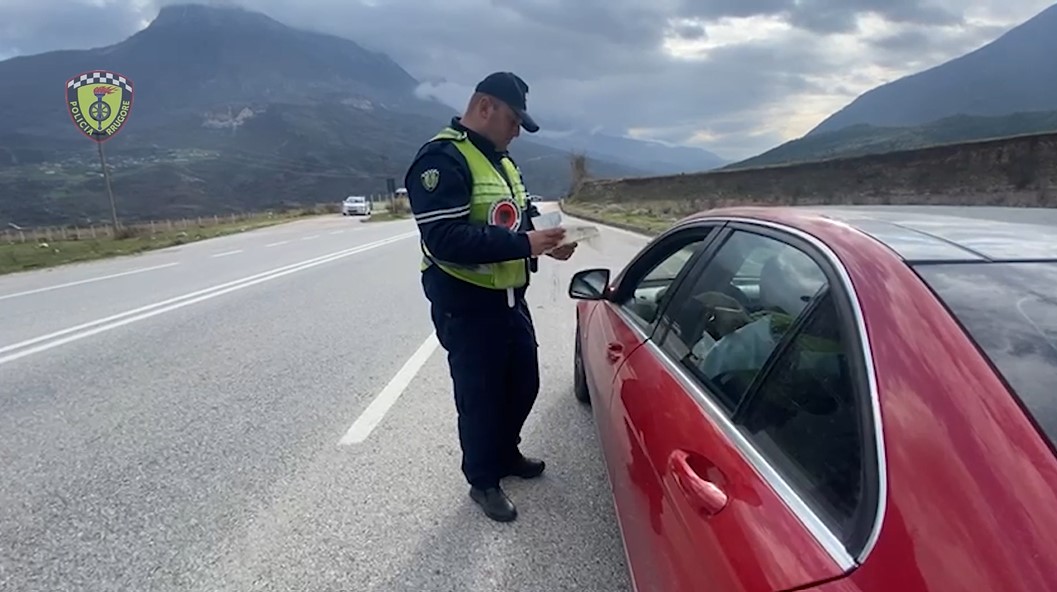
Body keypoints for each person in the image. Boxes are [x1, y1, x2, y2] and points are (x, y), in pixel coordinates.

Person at [404, 71, 577, 523]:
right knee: (480, 397)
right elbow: (445, 238)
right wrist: (525, 245)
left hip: (508, 297)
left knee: (524, 383)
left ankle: (505, 453)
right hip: (466, 302)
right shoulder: (441, 160)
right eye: (514, 120)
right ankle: (482, 480)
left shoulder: (501, 161)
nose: (517, 131)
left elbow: (518, 219)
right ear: (485, 107)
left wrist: (548, 243)